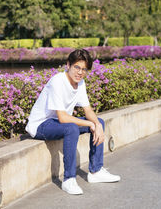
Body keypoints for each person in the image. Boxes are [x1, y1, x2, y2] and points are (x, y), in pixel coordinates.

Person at [25, 48, 120, 195]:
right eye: (77, 67)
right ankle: (69, 180)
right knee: (72, 128)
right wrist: (90, 124)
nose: (80, 72)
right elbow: (63, 117)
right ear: (68, 65)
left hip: (59, 123)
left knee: (99, 121)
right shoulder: (57, 81)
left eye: (84, 69)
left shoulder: (80, 84)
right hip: (41, 125)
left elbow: (88, 110)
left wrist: (97, 125)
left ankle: (95, 171)